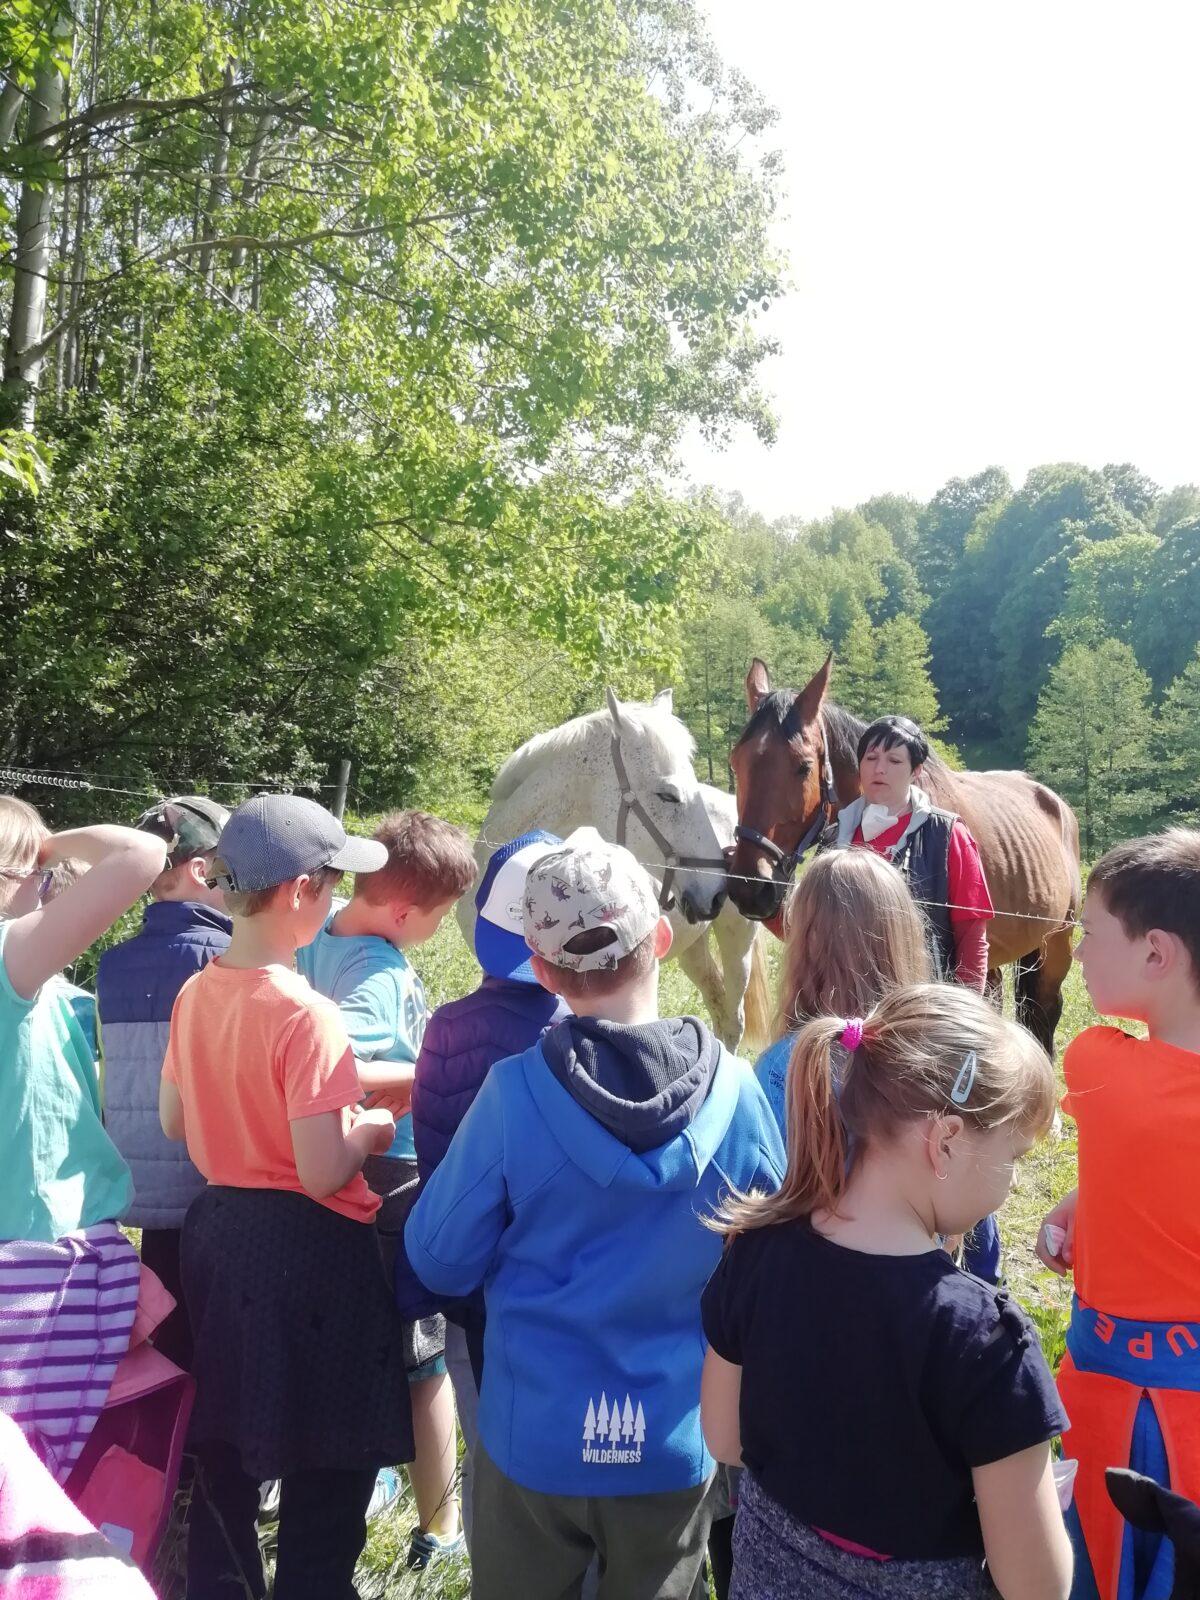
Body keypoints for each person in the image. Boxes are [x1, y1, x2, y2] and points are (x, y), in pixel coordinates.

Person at [405, 827, 785, 1600]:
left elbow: (437, 1258)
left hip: (532, 1439)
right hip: (673, 1442)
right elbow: (777, 1263)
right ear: (663, 938)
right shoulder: (740, 1093)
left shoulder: (513, 1094)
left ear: (542, 969)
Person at [701, 983, 1072, 1600]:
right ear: (946, 1141)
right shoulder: (988, 1345)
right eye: (1015, 1155)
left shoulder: (757, 1250)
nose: (1012, 1181)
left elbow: (723, 1437)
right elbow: (1038, 1587)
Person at [159, 794, 411, 1600]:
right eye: (333, 885)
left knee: (232, 1434)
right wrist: (369, 1128)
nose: (336, 901)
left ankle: (222, 1584)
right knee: (328, 1453)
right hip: (311, 1253)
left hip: (221, 1234)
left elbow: (174, 1119)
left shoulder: (196, 992)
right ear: (302, 890)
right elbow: (321, 1170)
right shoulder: (309, 1014)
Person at [296, 807, 476, 1570]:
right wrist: (431, 1070)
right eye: (437, 917)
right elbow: (340, 1063)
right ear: (404, 912)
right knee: (421, 1359)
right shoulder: (377, 969)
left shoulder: (319, 922)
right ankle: (442, 1525)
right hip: (386, 1171)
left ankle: (367, 1477)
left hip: (316, 1166)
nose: (436, 929)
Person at [1035, 829, 1200, 1600]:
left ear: (1157, 953)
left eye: (1092, 933)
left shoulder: (1097, 1059)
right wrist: (1088, 1198)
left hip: (1113, 1402)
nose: (1077, 952)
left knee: (1099, 1571)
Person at [398, 829, 570, 1552]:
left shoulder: (447, 1026)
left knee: (490, 1454)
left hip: (473, 1292)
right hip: (563, 1293)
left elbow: (435, 1155)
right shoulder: (579, 1031)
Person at [753, 848, 1002, 1288]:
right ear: (904, 935)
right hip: (923, 1283)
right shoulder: (941, 1053)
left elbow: (765, 1197)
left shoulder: (781, 1068)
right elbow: (975, 1187)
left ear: (805, 945)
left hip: (814, 1291)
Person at [95, 795, 232, 1370]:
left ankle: (167, 1423)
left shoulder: (111, 964)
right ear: (201, 870)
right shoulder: (226, 959)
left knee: (168, 1335)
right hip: (211, 1184)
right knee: (218, 1337)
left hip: (143, 1187)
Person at [0, 794, 168, 1245]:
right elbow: (143, 851)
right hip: (40, 1245)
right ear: (10, 875)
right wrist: (49, 844)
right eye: (41, 875)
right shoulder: (8, 957)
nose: (45, 890)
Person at [831, 714, 994, 989]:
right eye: (871, 758)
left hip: (921, 1001)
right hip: (845, 999)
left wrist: (964, 1007)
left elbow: (972, 936)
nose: (879, 769)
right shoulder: (836, 835)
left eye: (894, 761)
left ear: (916, 771)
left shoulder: (948, 835)